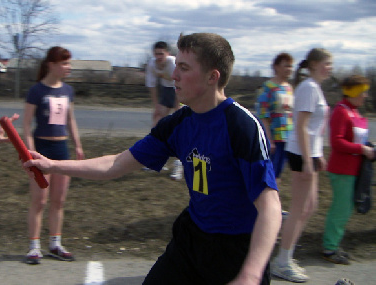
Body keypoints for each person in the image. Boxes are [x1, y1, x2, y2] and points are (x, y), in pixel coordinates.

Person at [24, 33, 282, 285]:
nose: (173, 75)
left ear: (212, 77)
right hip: (192, 240)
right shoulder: (177, 124)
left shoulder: (242, 126)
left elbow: (270, 207)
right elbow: (116, 164)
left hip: (237, 250)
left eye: (183, 67)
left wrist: (251, 273)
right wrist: (52, 165)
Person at [271, 48, 333, 283]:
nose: (330, 68)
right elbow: (301, 127)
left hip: (310, 154)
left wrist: (317, 156)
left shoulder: (314, 87)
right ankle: (282, 261)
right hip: (301, 154)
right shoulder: (308, 88)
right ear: (315, 64)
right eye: (328, 63)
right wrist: (308, 159)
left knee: (309, 207)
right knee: (299, 210)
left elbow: (314, 130)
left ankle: (286, 254)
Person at [22, 46, 84, 265]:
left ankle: (55, 244)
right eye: (64, 63)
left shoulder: (68, 90)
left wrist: (77, 144)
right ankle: (33, 247)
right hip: (41, 149)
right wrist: (29, 151)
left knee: (59, 200)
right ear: (52, 65)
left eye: (69, 63)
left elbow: (70, 120)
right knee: (39, 200)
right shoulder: (36, 91)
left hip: (62, 150)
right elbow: (27, 124)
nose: (68, 68)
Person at [322, 75, 373, 264]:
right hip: (342, 170)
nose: (365, 96)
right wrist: (362, 149)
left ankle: (333, 245)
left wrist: (367, 146)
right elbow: (336, 142)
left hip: (354, 171)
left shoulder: (355, 112)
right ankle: (329, 248)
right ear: (354, 92)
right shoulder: (341, 111)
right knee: (341, 210)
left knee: (345, 210)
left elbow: (355, 139)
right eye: (363, 91)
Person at [256, 52, 294, 219]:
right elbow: (263, 114)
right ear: (276, 67)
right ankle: (264, 207)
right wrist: (269, 138)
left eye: (291, 66)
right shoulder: (268, 87)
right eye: (286, 65)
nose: (289, 69)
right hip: (274, 138)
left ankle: (273, 207)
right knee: (269, 174)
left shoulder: (289, 88)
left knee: (277, 174)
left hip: (287, 137)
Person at [145, 41, 182, 180]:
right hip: (167, 90)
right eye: (156, 54)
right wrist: (157, 106)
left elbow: (181, 83)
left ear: (168, 54)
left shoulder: (173, 63)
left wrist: (178, 107)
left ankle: (179, 165)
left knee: (179, 127)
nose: (159, 56)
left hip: (182, 90)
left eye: (162, 53)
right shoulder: (152, 64)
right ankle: (158, 160)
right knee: (158, 122)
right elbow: (152, 86)